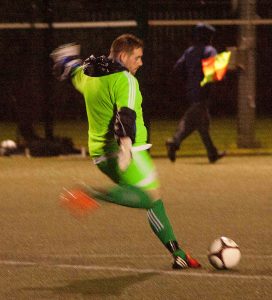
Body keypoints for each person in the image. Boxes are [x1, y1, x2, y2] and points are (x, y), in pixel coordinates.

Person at [51, 34, 200, 269]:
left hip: (100, 155)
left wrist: (66, 58)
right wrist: (126, 147)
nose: (140, 63)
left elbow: (71, 69)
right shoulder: (125, 80)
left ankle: (178, 254)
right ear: (122, 56)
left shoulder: (89, 75)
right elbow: (126, 115)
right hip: (126, 151)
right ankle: (92, 195)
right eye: (137, 57)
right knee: (150, 197)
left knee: (153, 200)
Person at [166, 23, 226, 163]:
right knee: (190, 120)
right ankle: (174, 142)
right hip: (203, 90)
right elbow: (214, 73)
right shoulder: (210, 50)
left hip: (191, 90)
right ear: (208, 36)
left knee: (202, 123)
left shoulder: (189, 51)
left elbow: (177, 68)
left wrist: (189, 79)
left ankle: (212, 153)